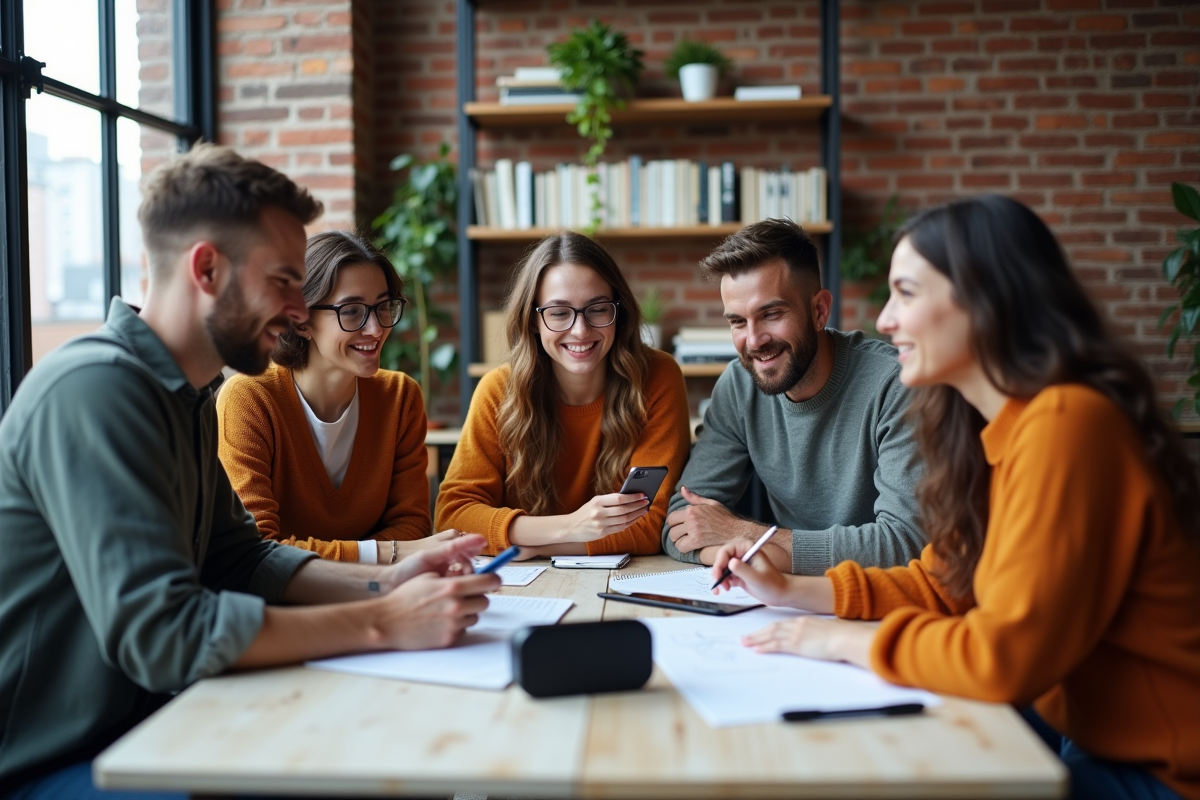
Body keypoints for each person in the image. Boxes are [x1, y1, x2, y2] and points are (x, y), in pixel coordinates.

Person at [0, 145, 500, 800]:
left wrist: (383, 583)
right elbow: (165, 635)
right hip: (54, 760)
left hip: (149, 723)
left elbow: (238, 558)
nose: (300, 310)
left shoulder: (189, 396)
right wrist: (385, 623)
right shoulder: (97, 391)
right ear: (207, 268)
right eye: (285, 281)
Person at [711, 196, 1200, 800]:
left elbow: (1003, 657)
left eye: (906, 294)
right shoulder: (1002, 428)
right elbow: (948, 581)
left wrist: (839, 640)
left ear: (985, 302)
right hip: (1075, 728)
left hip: (1158, 769)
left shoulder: (1068, 424)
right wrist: (793, 592)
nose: (886, 320)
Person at [662, 218, 924, 574]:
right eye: (738, 322)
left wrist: (743, 536)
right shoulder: (739, 386)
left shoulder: (897, 386)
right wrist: (741, 555)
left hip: (880, 605)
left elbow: (904, 543)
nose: (754, 340)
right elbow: (681, 521)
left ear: (819, 311)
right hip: (786, 596)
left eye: (770, 314)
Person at [436, 231, 691, 557]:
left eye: (597, 309)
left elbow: (652, 524)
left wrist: (533, 545)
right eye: (559, 313)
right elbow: (451, 518)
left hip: (624, 575)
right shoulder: (497, 391)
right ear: (533, 320)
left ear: (619, 311)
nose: (580, 331)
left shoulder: (656, 377)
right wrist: (569, 527)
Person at [218, 230, 450, 563]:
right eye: (353, 311)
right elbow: (257, 549)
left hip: (377, 592)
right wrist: (386, 553)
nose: (376, 329)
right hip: (284, 605)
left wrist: (377, 561)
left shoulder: (399, 397)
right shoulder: (250, 400)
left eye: (384, 307)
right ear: (300, 321)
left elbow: (412, 526)